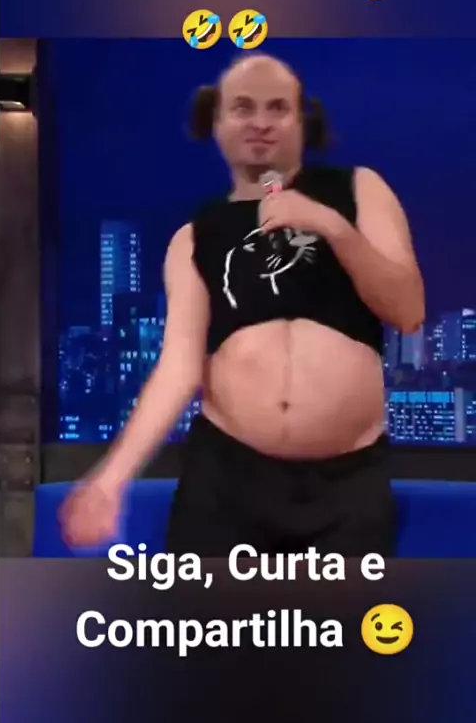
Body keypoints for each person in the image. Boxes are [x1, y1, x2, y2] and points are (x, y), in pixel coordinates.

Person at [60, 53, 425, 558]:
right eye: (243, 107)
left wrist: (331, 226)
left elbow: (408, 311)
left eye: (278, 108)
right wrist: (110, 480)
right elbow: (178, 368)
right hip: (226, 481)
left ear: (302, 121)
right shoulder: (194, 237)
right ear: (217, 121)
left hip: (348, 485)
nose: (260, 122)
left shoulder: (360, 190)